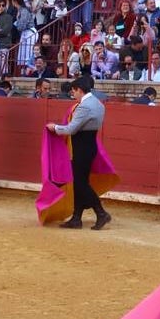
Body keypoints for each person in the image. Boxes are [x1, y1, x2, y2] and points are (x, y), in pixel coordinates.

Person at [50, 75, 112, 231]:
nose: (73, 94)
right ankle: (76, 218)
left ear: (79, 90)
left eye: (74, 91)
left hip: (80, 148)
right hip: (89, 145)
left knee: (80, 183)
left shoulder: (85, 106)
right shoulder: (98, 104)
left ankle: (101, 213)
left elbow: (71, 129)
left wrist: (55, 128)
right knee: (80, 183)